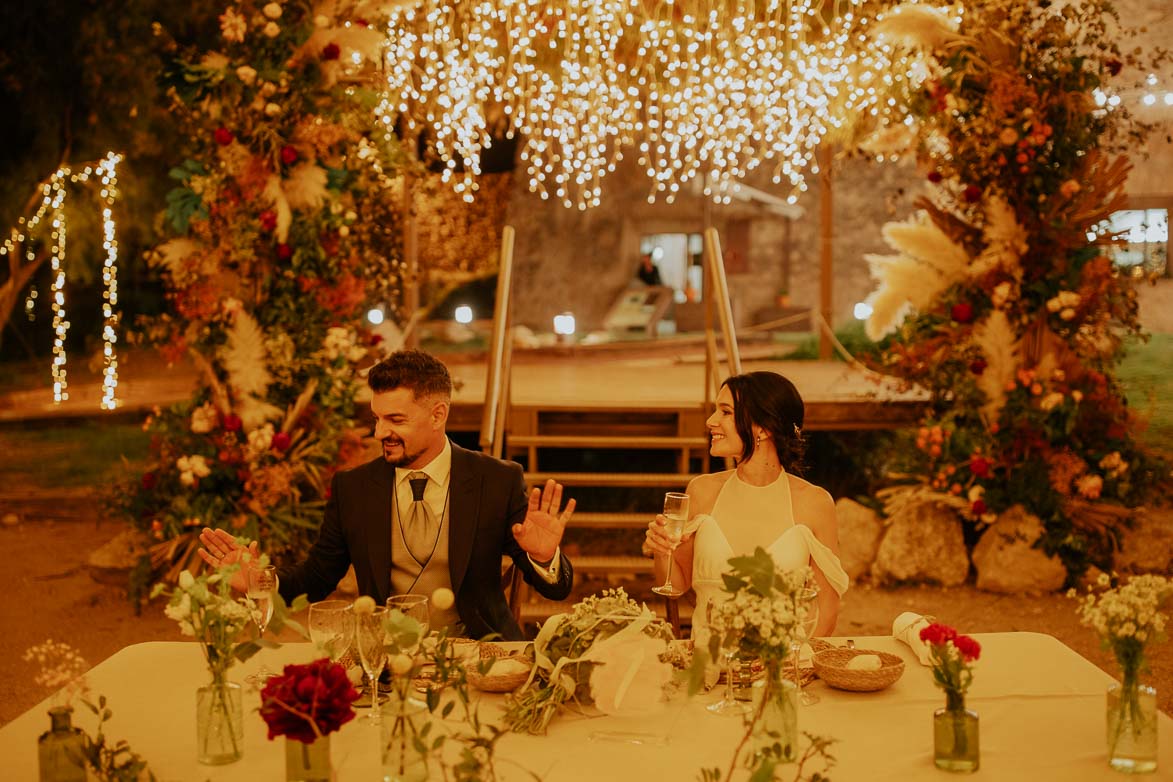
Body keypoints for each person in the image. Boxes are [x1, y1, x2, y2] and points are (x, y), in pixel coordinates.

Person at [199, 349, 576, 641]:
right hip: (384, 660)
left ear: (438, 414)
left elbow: (556, 590)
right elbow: (315, 579)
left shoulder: (496, 480)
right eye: (376, 418)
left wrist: (544, 557)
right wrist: (257, 582)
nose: (380, 433)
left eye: (395, 420)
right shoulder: (354, 488)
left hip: (480, 654)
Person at [644, 371, 847, 639]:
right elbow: (675, 584)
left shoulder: (815, 503)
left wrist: (794, 668)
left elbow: (827, 610)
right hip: (710, 668)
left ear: (763, 428)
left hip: (783, 669)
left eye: (726, 412)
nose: (710, 421)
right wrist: (662, 550)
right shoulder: (701, 491)